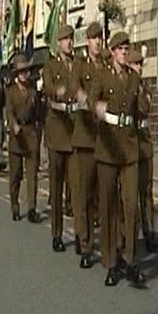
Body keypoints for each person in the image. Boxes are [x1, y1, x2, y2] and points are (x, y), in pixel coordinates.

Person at [90, 31, 148, 287]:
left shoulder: (135, 78)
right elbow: (92, 99)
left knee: (130, 205)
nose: (125, 53)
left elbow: (141, 109)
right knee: (108, 206)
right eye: (121, 49)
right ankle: (111, 261)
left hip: (130, 148)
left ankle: (130, 258)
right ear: (112, 51)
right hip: (108, 147)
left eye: (127, 49)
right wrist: (98, 108)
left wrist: (144, 99)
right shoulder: (102, 75)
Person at [71, 22, 105, 268]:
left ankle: (101, 241)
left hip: (102, 137)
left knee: (99, 196)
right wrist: (86, 99)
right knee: (83, 194)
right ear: (87, 42)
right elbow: (75, 88)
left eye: (100, 38)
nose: (97, 42)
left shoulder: (104, 66)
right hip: (84, 137)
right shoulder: (80, 66)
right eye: (93, 39)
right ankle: (85, 245)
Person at [42, 25, 77, 253]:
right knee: (56, 186)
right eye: (65, 39)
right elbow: (48, 88)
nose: (69, 43)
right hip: (57, 132)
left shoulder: (77, 65)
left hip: (74, 132)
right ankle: (57, 233)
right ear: (58, 43)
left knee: (75, 186)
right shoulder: (51, 66)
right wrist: (60, 91)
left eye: (71, 39)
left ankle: (80, 234)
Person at [128, 46, 158, 253]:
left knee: (146, 191)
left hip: (144, 142)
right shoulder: (127, 87)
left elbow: (147, 108)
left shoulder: (143, 87)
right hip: (130, 141)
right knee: (130, 192)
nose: (139, 68)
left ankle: (149, 233)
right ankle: (131, 233)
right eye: (135, 64)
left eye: (140, 64)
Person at [5, 55, 42, 223]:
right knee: (16, 174)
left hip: (31, 133)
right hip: (17, 136)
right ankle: (14, 205)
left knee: (32, 174)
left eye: (26, 71)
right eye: (20, 72)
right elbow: (9, 112)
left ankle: (32, 208)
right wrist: (13, 125)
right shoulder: (11, 91)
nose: (24, 74)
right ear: (16, 74)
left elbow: (39, 112)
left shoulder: (33, 90)